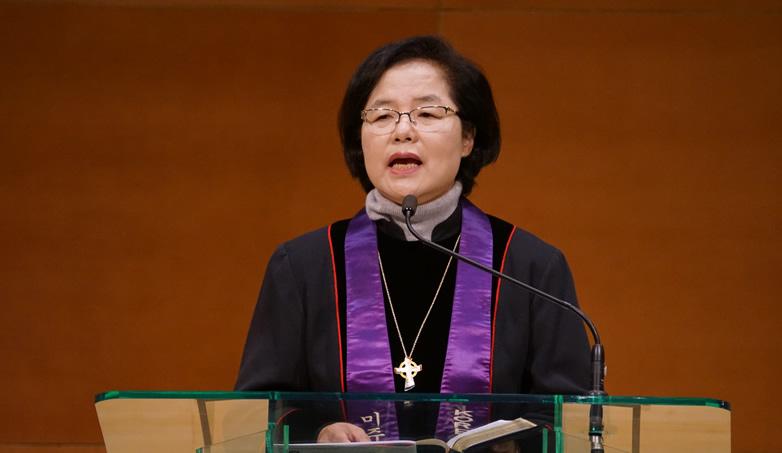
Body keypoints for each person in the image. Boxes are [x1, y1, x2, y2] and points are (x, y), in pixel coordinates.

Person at [234, 35, 591, 444]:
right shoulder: (303, 266)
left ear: (468, 137)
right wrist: (317, 432)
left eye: (427, 113)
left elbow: (570, 417)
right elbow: (257, 409)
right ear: (360, 137)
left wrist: (507, 446)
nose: (402, 131)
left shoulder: (528, 267)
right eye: (382, 116)